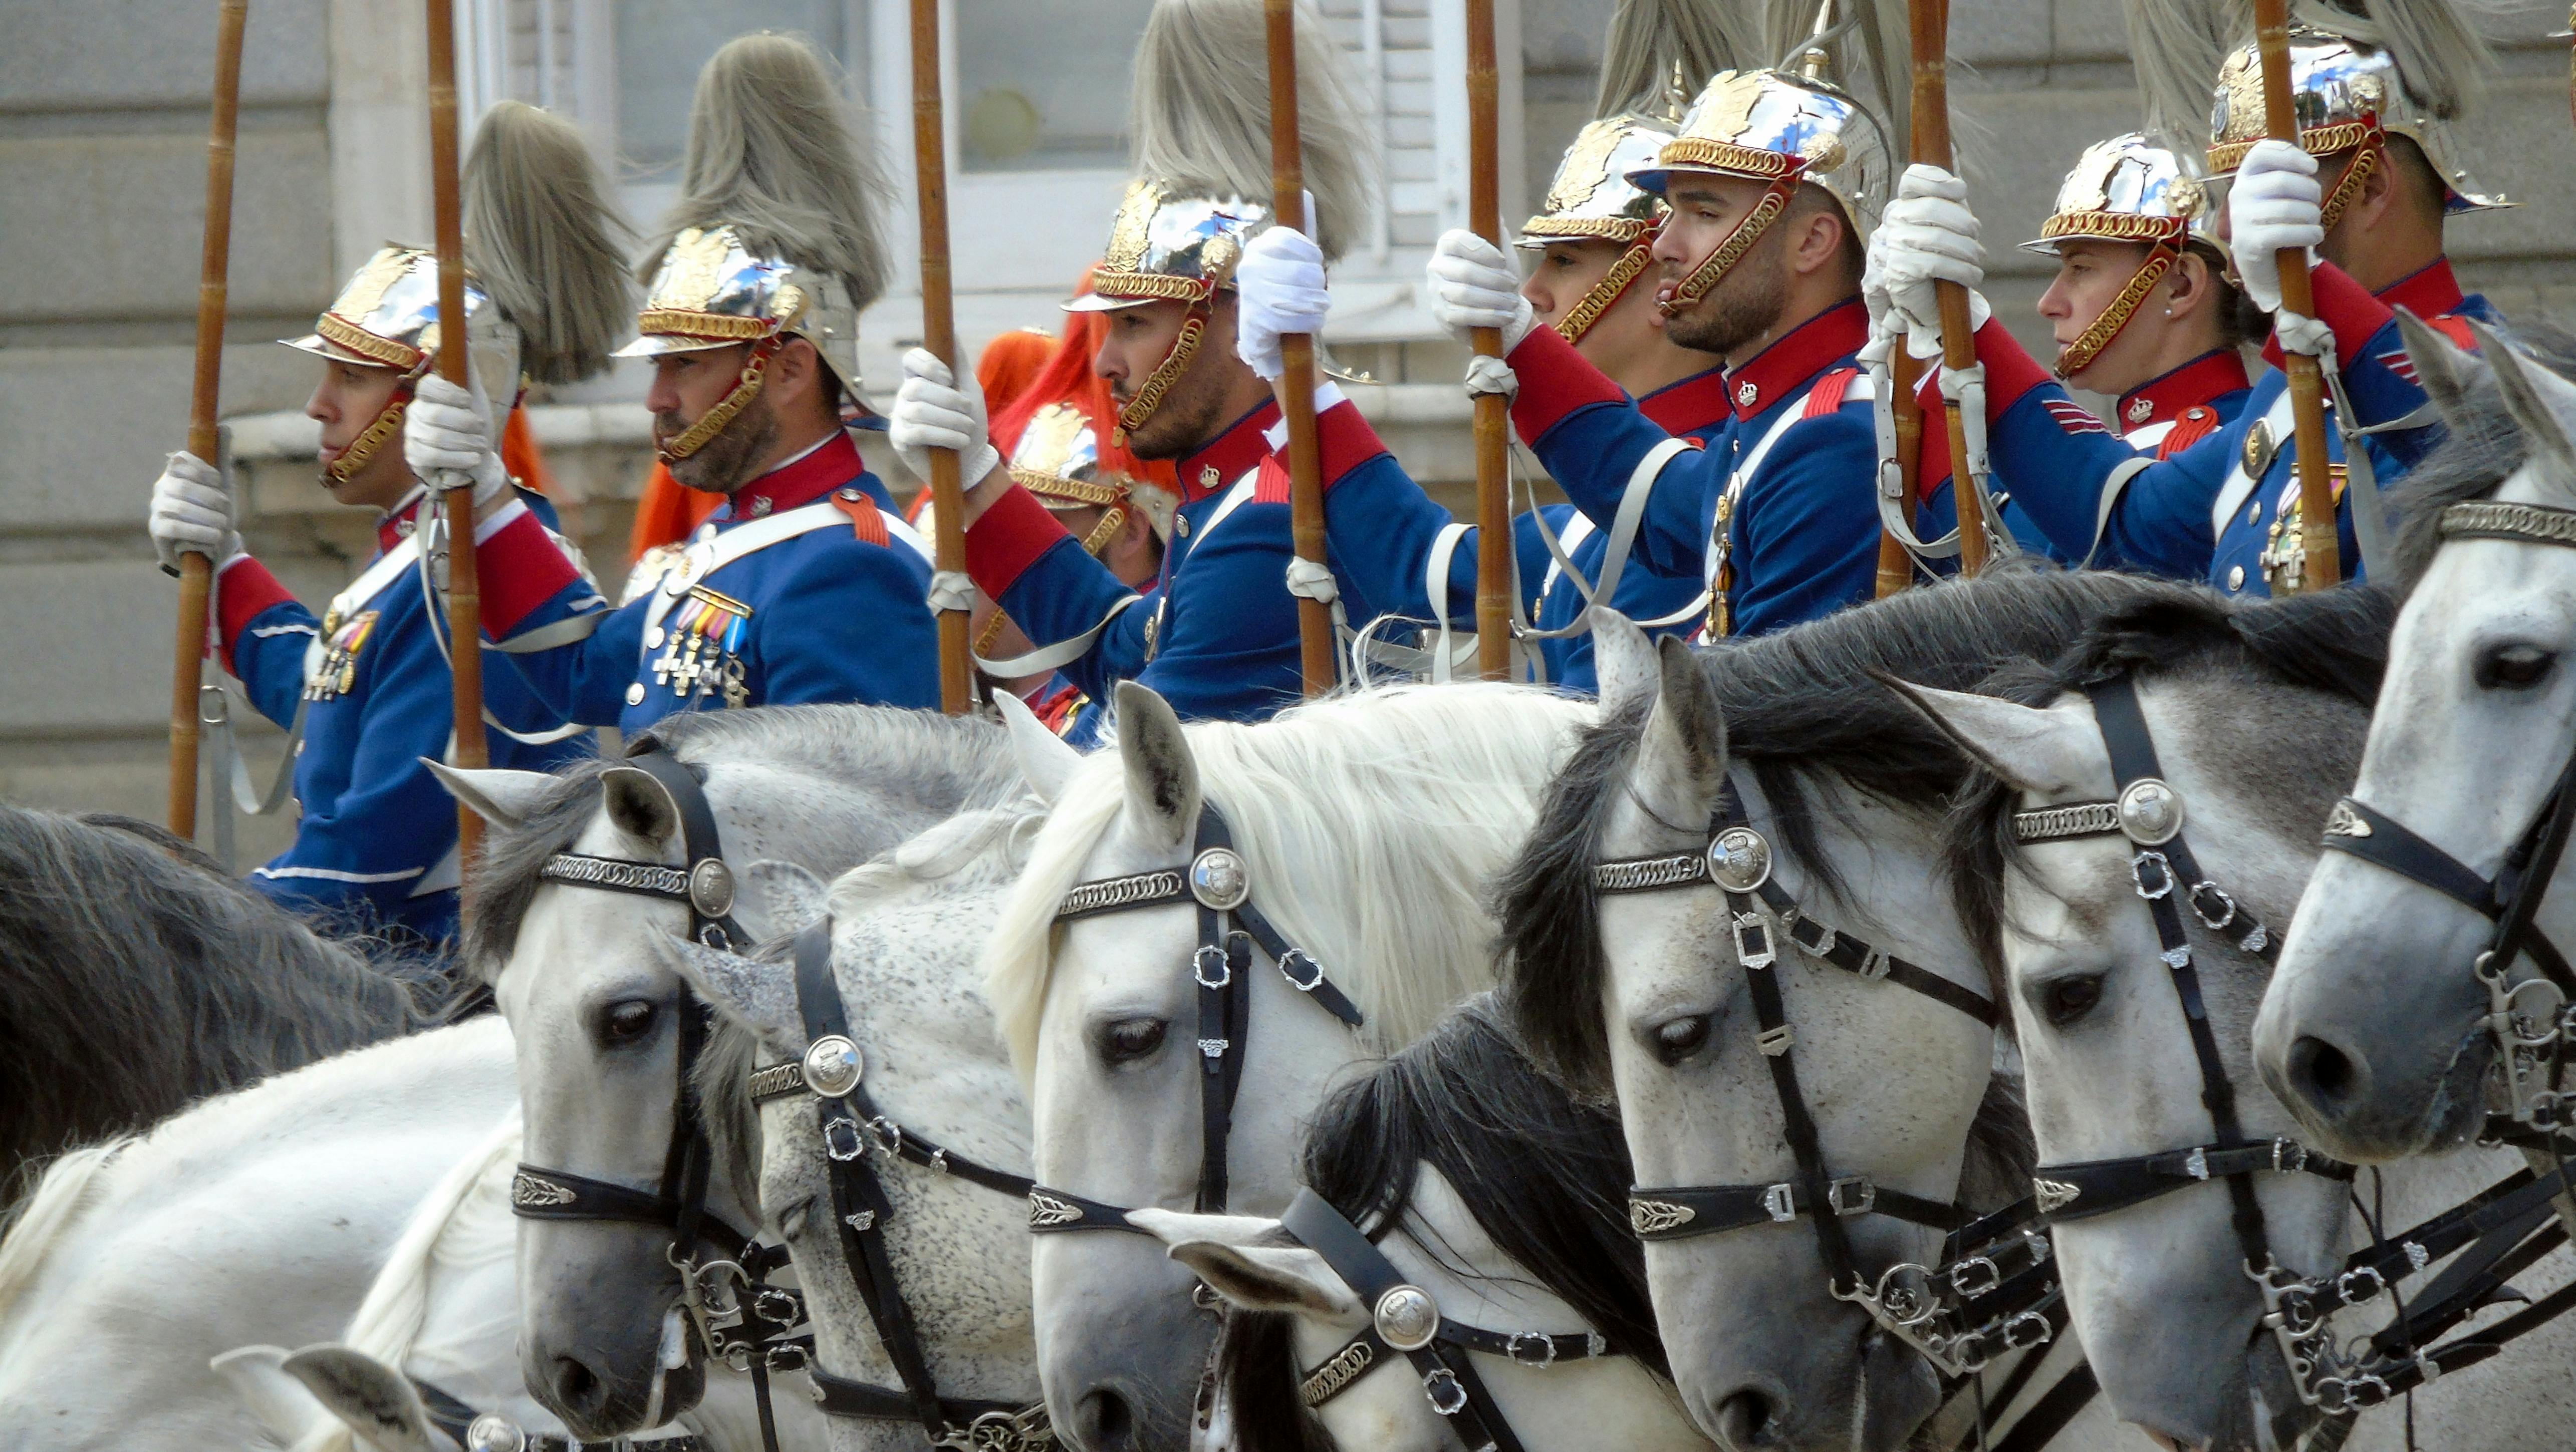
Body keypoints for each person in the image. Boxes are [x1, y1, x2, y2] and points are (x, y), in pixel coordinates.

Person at [143, 102, 626, 949]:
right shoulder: (415, 554)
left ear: (435, 394)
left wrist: (188, 936)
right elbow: (326, 696)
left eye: (353, 380)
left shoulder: (468, 573)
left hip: (438, 976)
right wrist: (224, 569)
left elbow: (367, 855)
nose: (318, 406)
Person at [420, 34, 942, 727]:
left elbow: (830, 828)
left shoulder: (849, 564)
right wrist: (485, 496)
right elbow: (586, 676)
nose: (657, 398)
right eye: (658, 365)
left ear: (788, 369)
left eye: (686, 364)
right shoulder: (742, 534)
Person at [887, 0, 1377, 739]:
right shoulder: (1221, 502)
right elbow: (1125, 644)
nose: (1105, 362)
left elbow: (1127, 761)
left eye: (1133, 324)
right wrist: (976, 472)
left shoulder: (1268, 524)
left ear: (1238, 321)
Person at [1872, 26, 2505, 595]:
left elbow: (2464, 435)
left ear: (2369, 186)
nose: (2229, 227)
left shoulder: (2496, 369)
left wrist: (2317, 292)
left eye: (2262, 194)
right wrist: (1960, 327)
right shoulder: (2289, 396)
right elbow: (2126, 524)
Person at [1420, 61, 1904, 640]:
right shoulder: (1768, 424)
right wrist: (1519, 338)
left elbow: (1778, 711)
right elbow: (1656, 502)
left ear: (1812, 241)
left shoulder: (1836, 435)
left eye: (1703, 213)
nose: (1664, 247)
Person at [1909, 133, 2259, 558]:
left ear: (2180, 284)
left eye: (2081, 268)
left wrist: (1967, 329)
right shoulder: (2106, 451)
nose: (2048, 304)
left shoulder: (2241, 445)